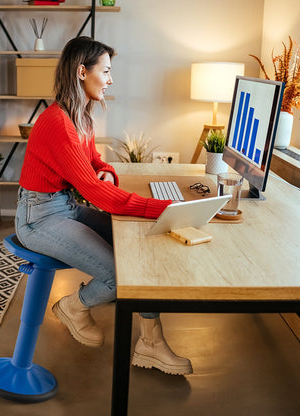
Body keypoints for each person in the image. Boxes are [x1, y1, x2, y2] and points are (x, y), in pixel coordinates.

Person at [15, 36, 192, 376]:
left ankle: (151, 344)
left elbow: (96, 163)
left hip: (64, 207)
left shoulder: (81, 116)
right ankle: (72, 306)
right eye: (106, 71)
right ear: (82, 71)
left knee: (138, 251)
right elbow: (97, 195)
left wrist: (106, 172)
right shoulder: (57, 123)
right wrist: (163, 208)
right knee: (117, 277)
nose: (111, 79)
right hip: (38, 218)